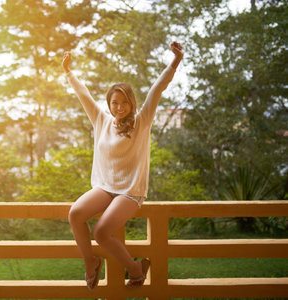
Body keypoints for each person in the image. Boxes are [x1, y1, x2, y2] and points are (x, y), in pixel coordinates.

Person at [62, 41, 183, 289]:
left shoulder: (142, 120)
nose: (119, 108)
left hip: (130, 191)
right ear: (109, 103)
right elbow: (83, 94)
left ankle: (136, 269)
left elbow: (157, 89)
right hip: (105, 187)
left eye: (124, 103)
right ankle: (90, 262)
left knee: (101, 232)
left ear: (132, 104)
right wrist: (68, 72)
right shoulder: (101, 120)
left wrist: (175, 61)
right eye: (114, 103)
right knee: (75, 214)